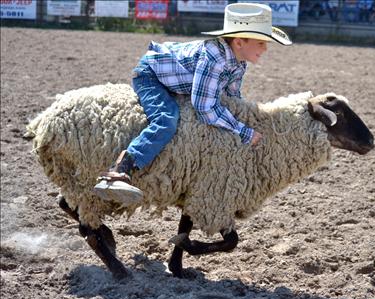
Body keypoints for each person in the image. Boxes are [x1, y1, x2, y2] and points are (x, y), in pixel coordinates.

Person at [93, 3, 292, 204]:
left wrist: (246, 122)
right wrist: (244, 132)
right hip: (151, 75)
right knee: (166, 119)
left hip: (178, 80)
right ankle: (122, 167)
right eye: (261, 43)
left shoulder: (238, 63)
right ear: (239, 42)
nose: (266, 48)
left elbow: (232, 99)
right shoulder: (214, 59)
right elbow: (204, 108)